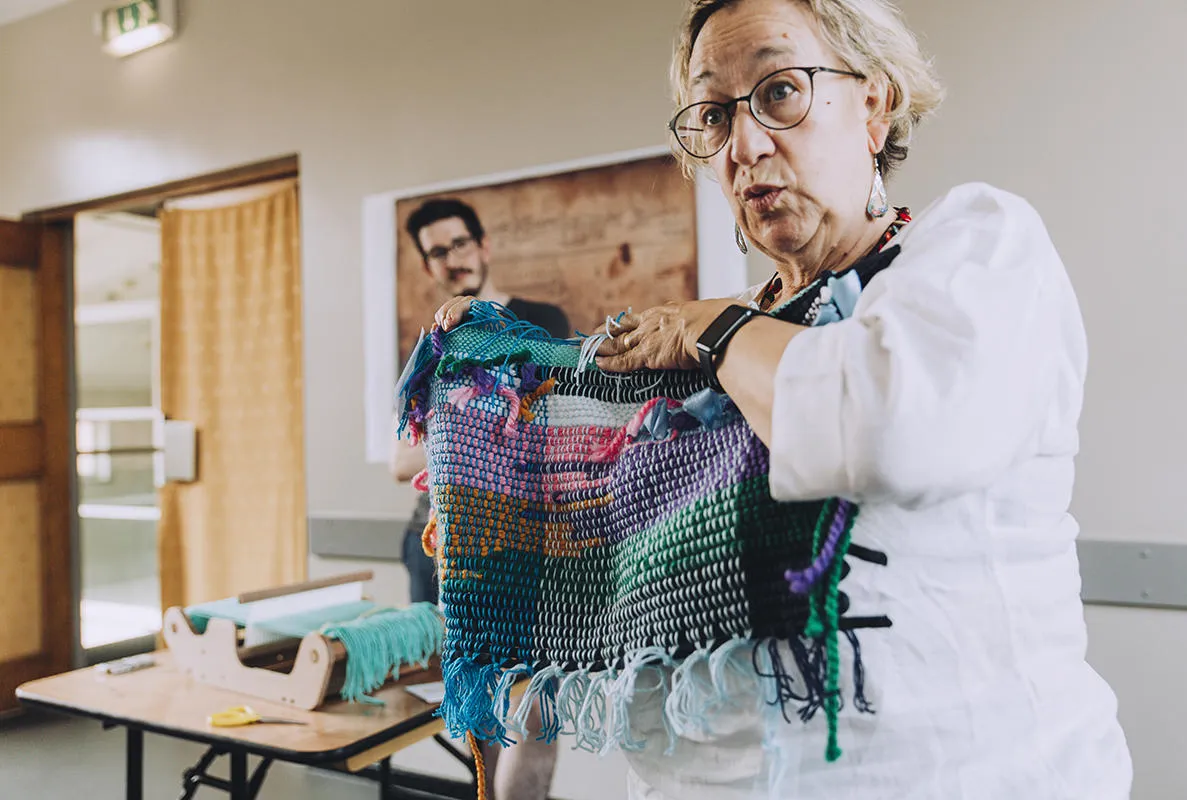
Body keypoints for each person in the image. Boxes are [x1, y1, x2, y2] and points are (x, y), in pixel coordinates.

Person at [435, 0, 1133, 797]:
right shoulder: (718, 342)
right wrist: (491, 375)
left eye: (779, 91)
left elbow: (882, 425)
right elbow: (594, 548)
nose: (746, 144)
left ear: (873, 105)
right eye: (713, 113)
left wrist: (718, 328)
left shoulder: (974, 248)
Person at [392, 197, 563, 800]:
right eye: (437, 252)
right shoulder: (432, 347)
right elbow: (400, 458)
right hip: (442, 546)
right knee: (475, 702)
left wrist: (462, 425)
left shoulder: (541, 323)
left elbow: (562, 420)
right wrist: (488, 422)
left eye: (459, 244)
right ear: (428, 266)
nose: (451, 259)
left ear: (483, 246)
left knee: (544, 700)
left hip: (535, 543)